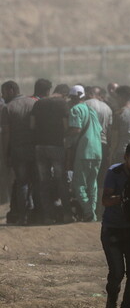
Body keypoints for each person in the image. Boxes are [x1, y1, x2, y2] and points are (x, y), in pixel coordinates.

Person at [101, 142, 130, 308]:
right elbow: (105, 200)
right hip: (113, 229)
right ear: (125, 158)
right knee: (117, 272)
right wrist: (123, 198)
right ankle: (112, 303)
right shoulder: (114, 172)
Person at [31, 84, 72, 224]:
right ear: (65, 94)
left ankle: (47, 216)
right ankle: (67, 214)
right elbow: (66, 126)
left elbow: (32, 125)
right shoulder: (63, 104)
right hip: (56, 146)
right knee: (61, 180)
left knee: (44, 182)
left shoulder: (39, 103)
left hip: (39, 146)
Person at [1, 81, 38, 225]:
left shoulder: (7, 108)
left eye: (3, 92)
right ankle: (35, 213)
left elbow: (6, 134)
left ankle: (23, 216)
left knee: (21, 183)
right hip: (34, 149)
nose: (2, 96)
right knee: (35, 182)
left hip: (17, 150)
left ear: (11, 90)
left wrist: (5, 153)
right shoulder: (33, 103)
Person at [66, 85, 103, 222]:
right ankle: (91, 211)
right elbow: (99, 129)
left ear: (72, 98)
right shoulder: (91, 110)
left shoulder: (75, 109)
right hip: (97, 151)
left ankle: (89, 212)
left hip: (84, 151)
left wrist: (66, 138)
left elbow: (76, 129)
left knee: (78, 185)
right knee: (92, 183)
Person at [85, 86, 113, 218]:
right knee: (101, 177)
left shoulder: (85, 104)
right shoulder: (107, 108)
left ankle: (89, 208)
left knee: (88, 176)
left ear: (90, 94)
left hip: (88, 144)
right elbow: (110, 129)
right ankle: (100, 209)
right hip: (103, 143)